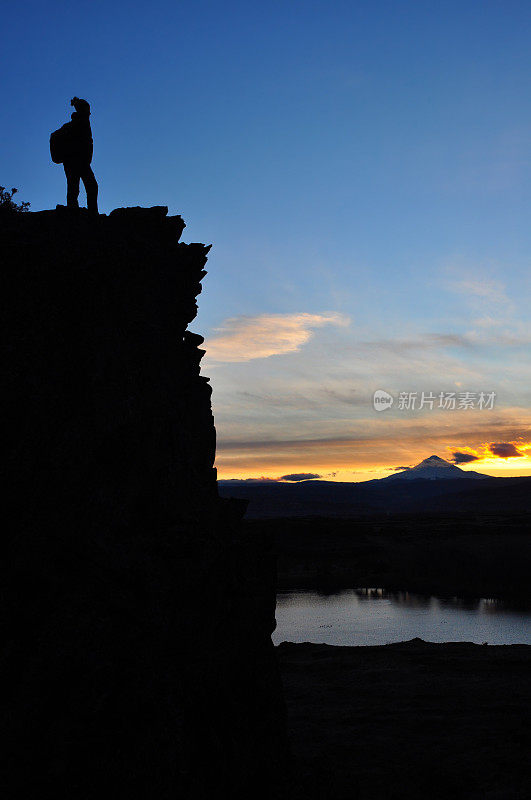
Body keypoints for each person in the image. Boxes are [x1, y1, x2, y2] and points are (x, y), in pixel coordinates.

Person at [59, 97, 99, 214]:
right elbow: (84, 144)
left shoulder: (80, 123)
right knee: (85, 187)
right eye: (87, 110)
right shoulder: (77, 124)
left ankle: (76, 212)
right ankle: (87, 214)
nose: (89, 113)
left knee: (75, 188)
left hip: (79, 161)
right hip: (77, 161)